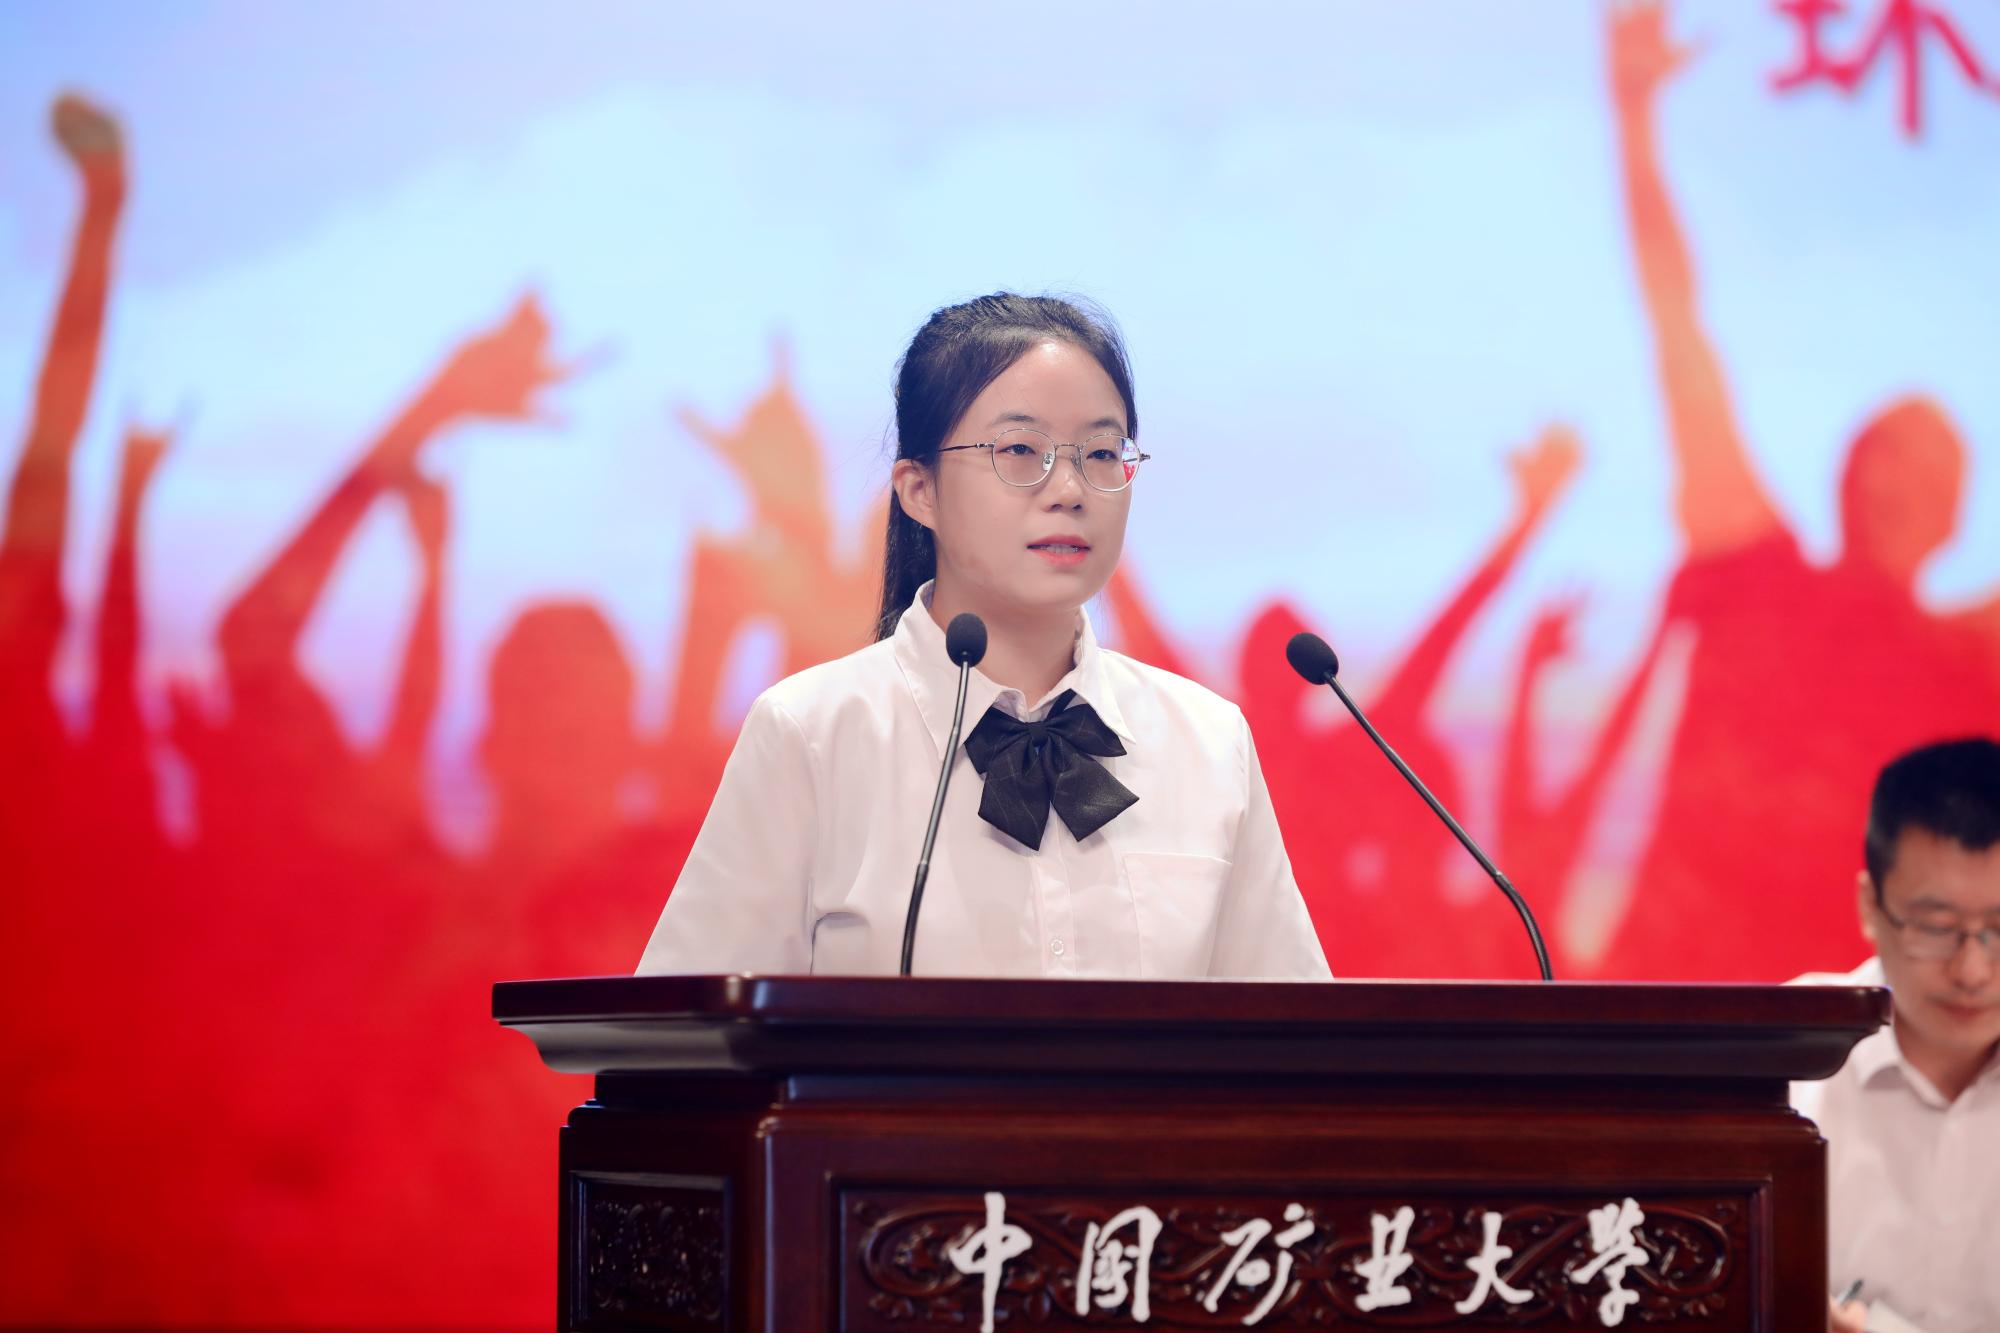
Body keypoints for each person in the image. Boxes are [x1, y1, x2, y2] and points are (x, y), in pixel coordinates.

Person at [637, 292, 1328, 978]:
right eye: (1020, 449)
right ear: (919, 491)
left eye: (1099, 453)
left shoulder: (1207, 742)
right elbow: (685, 1030)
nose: (1070, 489)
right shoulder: (812, 735)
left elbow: (1297, 1033)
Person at [1792, 738, 2000, 1333]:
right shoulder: (1782, 1063)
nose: (1972, 970)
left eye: (1999, 929)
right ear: (1870, 906)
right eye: (1935, 927)